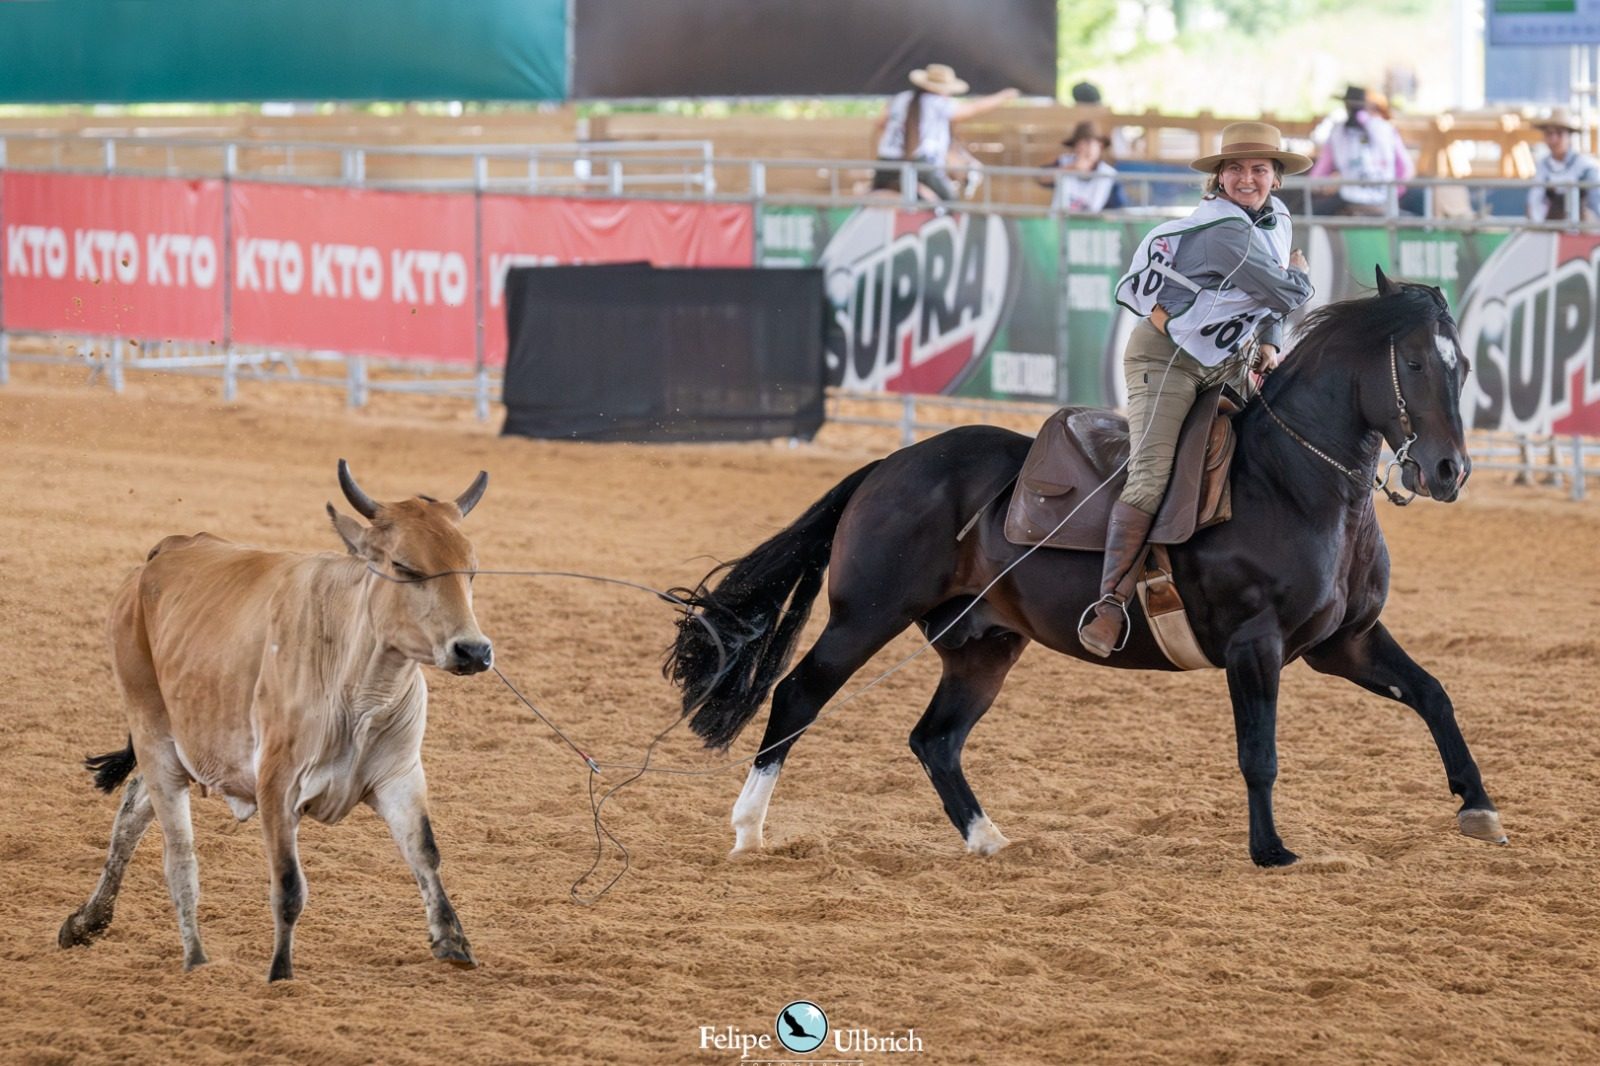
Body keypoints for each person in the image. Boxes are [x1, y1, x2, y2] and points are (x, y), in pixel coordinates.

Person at [1078, 122, 1315, 658]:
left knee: (1276, 445)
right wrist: (1303, 276)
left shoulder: (1276, 221)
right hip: (1166, 360)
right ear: (1218, 180)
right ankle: (1111, 601)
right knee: (1151, 472)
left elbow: (1270, 303)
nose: (1246, 177)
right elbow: (1286, 288)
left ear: (1276, 179)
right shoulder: (1225, 232)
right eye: (1234, 168)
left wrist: (1272, 344)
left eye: (1258, 168)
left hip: (1226, 359)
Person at [872, 64, 1019, 202]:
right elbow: (969, 110)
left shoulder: (901, 98)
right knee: (950, 201)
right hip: (919, 162)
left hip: (886, 159)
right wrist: (1003, 97)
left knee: (883, 195)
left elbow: (880, 123)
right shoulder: (936, 102)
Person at [1308, 85, 1414, 216]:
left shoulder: (1338, 134)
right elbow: (1405, 169)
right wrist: (1393, 191)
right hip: (1385, 199)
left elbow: (1318, 176)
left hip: (1350, 198)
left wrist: (1324, 185)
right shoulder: (1386, 129)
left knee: (1312, 213)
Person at [1527, 107, 1600, 223]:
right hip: (1552, 228)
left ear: (1569, 136)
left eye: (1559, 133)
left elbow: (1596, 200)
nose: (1554, 139)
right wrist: (1539, 224)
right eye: (1549, 134)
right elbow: (1535, 199)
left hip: (1582, 229)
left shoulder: (1584, 165)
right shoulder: (1542, 165)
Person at [1041, 120, 1126, 212]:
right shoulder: (1064, 162)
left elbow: (1119, 207)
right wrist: (1071, 168)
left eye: (1088, 143)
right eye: (1079, 143)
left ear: (1100, 145)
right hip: (1062, 223)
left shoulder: (1109, 174)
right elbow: (1041, 178)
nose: (1083, 147)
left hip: (1090, 225)